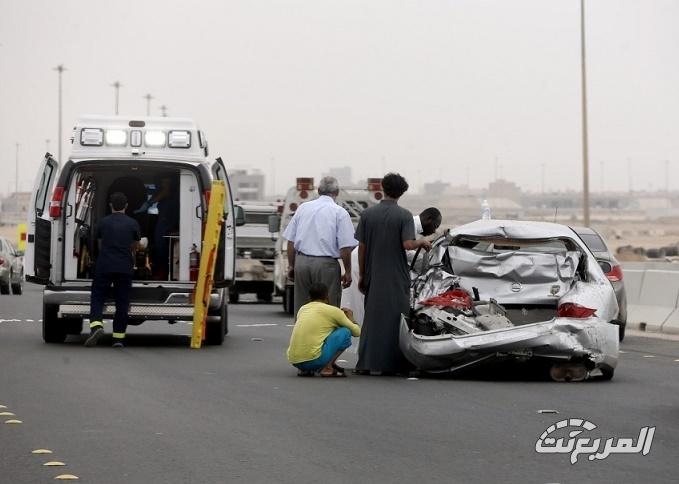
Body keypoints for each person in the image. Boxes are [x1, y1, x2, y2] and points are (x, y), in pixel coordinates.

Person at [354, 173, 431, 376]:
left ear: (383, 188)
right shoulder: (404, 215)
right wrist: (422, 242)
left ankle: (367, 363)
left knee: (372, 319)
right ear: (402, 192)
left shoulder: (367, 215)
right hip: (396, 276)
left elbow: (361, 247)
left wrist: (362, 274)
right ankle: (395, 363)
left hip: (373, 273)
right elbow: (407, 244)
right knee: (397, 320)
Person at [341, 206, 441, 325]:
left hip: (366, 260)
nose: (434, 231)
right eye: (435, 226)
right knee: (358, 304)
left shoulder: (411, 226)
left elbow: (403, 251)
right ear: (428, 219)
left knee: (361, 304)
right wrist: (424, 254)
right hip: (363, 261)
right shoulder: (409, 224)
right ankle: (358, 337)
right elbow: (406, 248)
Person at [282, 176, 356, 317]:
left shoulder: (303, 208)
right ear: (337, 192)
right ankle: (324, 337)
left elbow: (291, 241)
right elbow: (345, 247)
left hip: (302, 262)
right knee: (327, 309)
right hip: (325, 265)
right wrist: (348, 271)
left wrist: (292, 266)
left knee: (302, 307)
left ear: (319, 190)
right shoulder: (339, 212)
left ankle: (302, 337)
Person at [85, 192, 142, 348]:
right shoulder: (132, 223)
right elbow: (136, 246)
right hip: (124, 267)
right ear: (126, 206)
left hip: (105, 265)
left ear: (110, 205)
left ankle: (96, 326)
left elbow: (99, 244)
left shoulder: (103, 223)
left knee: (97, 298)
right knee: (122, 303)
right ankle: (118, 338)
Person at [287, 282, 361, 377]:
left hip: (295, 361)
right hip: (314, 360)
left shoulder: (303, 309)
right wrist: (351, 318)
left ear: (309, 298)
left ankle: (304, 369)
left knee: (320, 334)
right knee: (345, 332)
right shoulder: (333, 311)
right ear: (327, 297)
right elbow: (357, 332)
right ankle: (327, 368)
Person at [135, 175, 179, 280]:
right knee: (160, 245)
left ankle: (163, 272)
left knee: (162, 245)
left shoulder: (169, 186)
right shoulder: (164, 190)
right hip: (165, 218)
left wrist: (149, 202)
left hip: (167, 219)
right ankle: (161, 270)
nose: (163, 184)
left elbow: (166, 190)